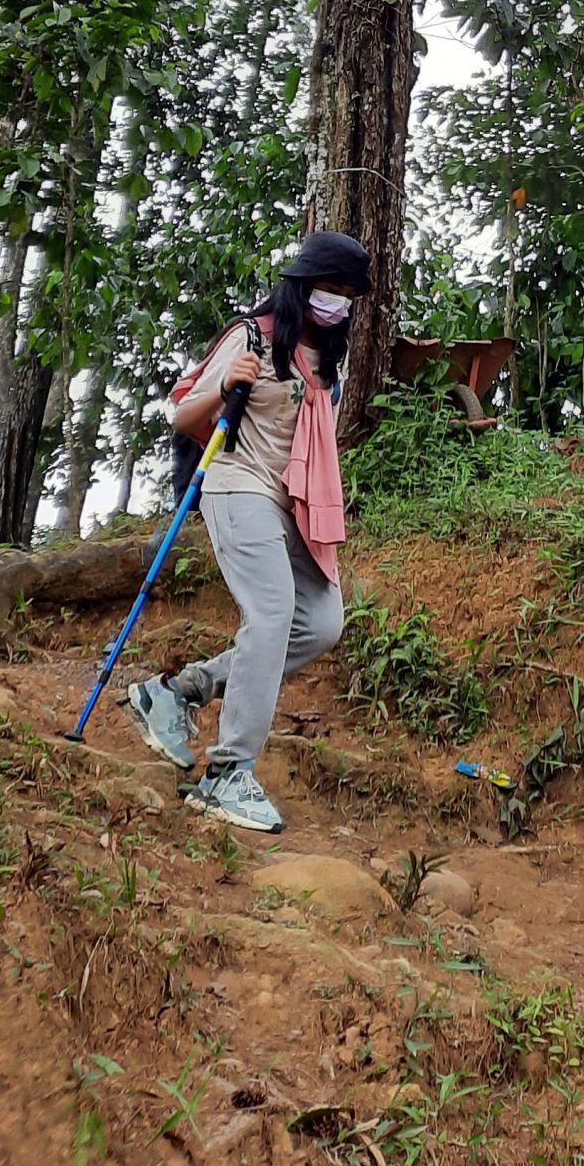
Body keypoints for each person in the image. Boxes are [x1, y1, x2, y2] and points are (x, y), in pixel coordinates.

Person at [125, 232, 371, 834]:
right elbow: (183, 416)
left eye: (345, 295)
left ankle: (180, 692)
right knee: (270, 612)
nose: (336, 303)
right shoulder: (253, 335)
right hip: (237, 485)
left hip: (294, 506)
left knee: (321, 623)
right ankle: (229, 771)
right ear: (300, 285)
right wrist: (223, 384)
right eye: (327, 289)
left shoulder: (328, 363)